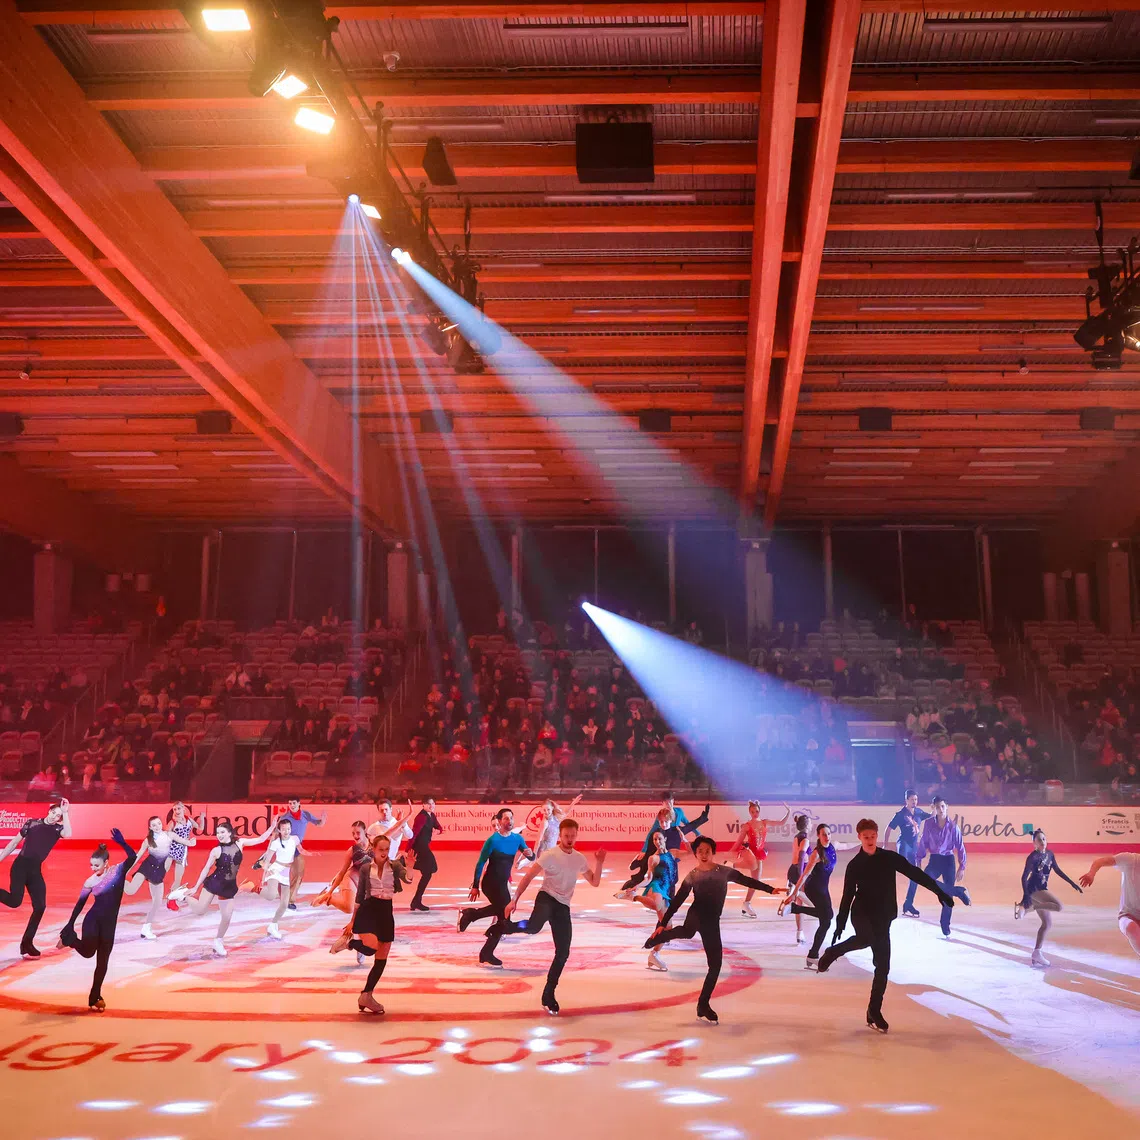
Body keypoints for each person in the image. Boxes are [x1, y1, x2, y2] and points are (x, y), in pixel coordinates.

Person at [816, 818, 954, 1033]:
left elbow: (914, 873)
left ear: (877, 836)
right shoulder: (855, 865)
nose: (870, 840)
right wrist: (840, 923)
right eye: (865, 837)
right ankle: (833, 951)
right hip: (861, 913)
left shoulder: (889, 858)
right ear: (859, 837)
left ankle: (874, 1011)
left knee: (883, 967)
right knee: (865, 938)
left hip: (883, 917)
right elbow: (847, 896)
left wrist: (939, 891)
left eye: (872, 836)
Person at [644, 835, 784, 1024]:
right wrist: (662, 925)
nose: (703, 854)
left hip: (712, 922)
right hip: (696, 915)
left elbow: (746, 881)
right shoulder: (692, 875)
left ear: (713, 853)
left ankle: (703, 1004)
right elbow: (677, 902)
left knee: (715, 965)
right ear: (695, 854)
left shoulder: (724, 872)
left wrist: (770, 889)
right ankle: (661, 937)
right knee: (687, 931)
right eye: (699, 851)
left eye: (707, 851)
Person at [499, 817, 606, 1015]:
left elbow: (595, 882)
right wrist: (514, 899)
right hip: (546, 898)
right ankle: (507, 927)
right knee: (533, 927)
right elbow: (529, 876)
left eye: (573, 836)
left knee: (563, 952)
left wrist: (599, 862)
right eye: (566, 836)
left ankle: (548, 993)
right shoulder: (550, 855)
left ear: (576, 835)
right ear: (560, 836)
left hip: (563, 906)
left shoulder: (579, 858)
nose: (570, 839)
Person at [330, 832, 413, 1014]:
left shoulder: (395, 866)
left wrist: (411, 868)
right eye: (380, 849)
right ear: (373, 850)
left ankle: (366, 995)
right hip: (368, 910)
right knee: (374, 947)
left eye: (386, 849)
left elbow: (407, 878)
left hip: (386, 911)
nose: (384, 852)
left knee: (382, 957)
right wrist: (352, 921)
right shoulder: (367, 869)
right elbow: (360, 896)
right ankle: (350, 943)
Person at [171, 816, 276, 956]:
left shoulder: (240, 842)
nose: (219, 835)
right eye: (217, 833)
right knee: (200, 910)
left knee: (227, 917)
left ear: (229, 833)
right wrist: (195, 887)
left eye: (222, 832)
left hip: (229, 885)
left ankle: (218, 941)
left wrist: (272, 826)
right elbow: (206, 869)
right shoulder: (216, 850)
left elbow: (261, 839)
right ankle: (183, 896)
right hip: (215, 882)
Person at [56, 829, 137, 1011]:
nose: (93, 869)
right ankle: (70, 941)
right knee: (88, 953)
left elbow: (133, 857)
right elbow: (80, 904)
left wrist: (123, 843)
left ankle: (95, 996)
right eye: (91, 865)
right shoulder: (90, 881)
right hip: (92, 920)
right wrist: (70, 925)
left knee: (103, 963)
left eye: (96, 865)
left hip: (110, 924)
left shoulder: (118, 870)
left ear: (106, 863)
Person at [457, 808, 534, 967]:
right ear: (499, 821)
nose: (509, 821)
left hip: (502, 885)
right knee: (504, 916)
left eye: (511, 818)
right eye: (506, 818)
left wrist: (531, 854)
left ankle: (472, 917)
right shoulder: (492, 841)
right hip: (490, 884)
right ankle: (485, 948)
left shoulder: (517, 839)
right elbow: (480, 863)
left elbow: (530, 856)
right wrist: (476, 885)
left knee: (504, 918)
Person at [0, 798, 71, 958]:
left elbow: (68, 833)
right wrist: (0, 859)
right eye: (53, 812)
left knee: (40, 906)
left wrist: (65, 814)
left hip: (35, 871)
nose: (54, 816)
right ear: (48, 810)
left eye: (58, 815)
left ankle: (26, 944)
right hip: (20, 867)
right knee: (14, 901)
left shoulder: (57, 830)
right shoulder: (32, 824)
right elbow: (13, 843)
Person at [779, 823, 856, 968]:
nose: (827, 837)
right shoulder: (816, 854)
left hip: (823, 888)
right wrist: (794, 894)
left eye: (828, 834)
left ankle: (796, 910)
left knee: (827, 918)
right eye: (823, 835)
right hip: (813, 888)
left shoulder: (834, 845)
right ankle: (813, 955)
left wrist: (862, 842)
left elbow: (846, 845)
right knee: (826, 920)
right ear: (819, 837)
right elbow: (805, 874)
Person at [1014, 829, 1082, 967]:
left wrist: (1071, 882)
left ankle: (1036, 953)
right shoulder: (1032, 857)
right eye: (1039, 840)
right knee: (1059, 906)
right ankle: (1029, 907)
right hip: (1034, 889)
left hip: (1042, 889)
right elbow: (1024, 877)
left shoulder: (1050, 854)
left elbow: (1057, 870)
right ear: (1034, 843)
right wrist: (1026, 895)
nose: (1042, 842)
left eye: (1044, 839)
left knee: (1047, 924)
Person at [123, 815, 197, 940]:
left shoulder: (169, 835)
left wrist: (192, 842)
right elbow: (138, 856)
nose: (157, 826)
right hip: (147, 867)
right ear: (150, 827)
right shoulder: (148, 840)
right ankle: (119, 877)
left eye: (158, 823)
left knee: (157, 902)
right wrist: (126, 870)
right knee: (130, 890)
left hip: (159, 871)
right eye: (154, 825)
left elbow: (186, 842)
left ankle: (146, 928)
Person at [617, 799, 710, 898]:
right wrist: (642, 856)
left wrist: (703, 817)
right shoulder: (656, 833)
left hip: (670, 861)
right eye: (661, 821)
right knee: (641, 879)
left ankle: (668, 904)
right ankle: (623, 892)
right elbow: (650, 849)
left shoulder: (677, 831)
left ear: (671, 820)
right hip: (658, 861)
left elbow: (691, 826)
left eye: (666, 821)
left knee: (671, 882)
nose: (664, 824)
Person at [243, 817, 310, 940]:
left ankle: (273, 925)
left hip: (286, 872)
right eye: (284, 829)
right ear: (279, 830)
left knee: (284, 904)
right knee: (271, 895)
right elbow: (267, 860)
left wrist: (309, 853)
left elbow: (300, 849)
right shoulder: (275, 843)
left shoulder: (294, 839)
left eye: (289, 829)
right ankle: (252, 887)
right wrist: (262, 879)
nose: (287, 831)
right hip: (275, 869)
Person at [915, 796, 972, 936]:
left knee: (947, 895)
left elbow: (960, 846)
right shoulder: (928, 824)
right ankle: (959, 891)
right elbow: (923, 842)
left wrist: (962, 866)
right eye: (937, 807)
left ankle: (945, 924)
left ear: (946, 807)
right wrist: (919, 859)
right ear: (933, 807)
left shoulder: (953, 826)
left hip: (948, 861)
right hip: (935, 860)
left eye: (942, 806)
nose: (940, 809)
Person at [727, 801, 789, 916]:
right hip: (750, 851)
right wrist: (729, 854)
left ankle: (746, 903)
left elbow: (781, 823)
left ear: (759, 811)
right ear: (749, 812)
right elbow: (738, 842)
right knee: (753, 867)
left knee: (755, 882)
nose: (755, 813)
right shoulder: (747, 826)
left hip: (759, 853)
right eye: (752, 812)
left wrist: (788, 811)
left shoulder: (764, 822)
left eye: (756, 811)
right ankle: (732, 865)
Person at [1078, 850, 1140, 957]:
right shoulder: (1131, 860)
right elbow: (1100, 861)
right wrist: (1091, 873)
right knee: (1131, 928)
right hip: (1128, 916)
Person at [885, 789, 932, 917]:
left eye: (916, 799)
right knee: (901, 858)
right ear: (906, 800)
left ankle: (908, 904)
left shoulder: (919, 812)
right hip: (903, 844)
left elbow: (932, 816)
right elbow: (888, 828)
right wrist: (885, 844)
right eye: (912, 800)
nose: (914, 802)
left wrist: (937, 811)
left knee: (916, 876)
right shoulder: (901, 814)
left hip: (914, 847)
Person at [637, 829, 678, 972]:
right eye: (654, 839)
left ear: (665, 839)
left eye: (659, 839)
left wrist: (685, 839)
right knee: (661, 914)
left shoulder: (670, 854)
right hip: (657, 888)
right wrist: (636, 887)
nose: (657, 842)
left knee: (668, 927)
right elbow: (648, 877)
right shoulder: (653, 858)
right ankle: (634, 897)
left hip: (667, 892)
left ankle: (654, 954)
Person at [277, 797, 326, 909]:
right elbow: (277, 832)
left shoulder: (305, 815)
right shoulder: (285, 817)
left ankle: (289, 900)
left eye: (294, 803)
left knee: (299, 874)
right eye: (290, 803)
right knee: (282, 875)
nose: (292, 805)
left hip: (297, 849)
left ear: (299, 803)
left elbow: (319, 824)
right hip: (285, 849)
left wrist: (323, 820)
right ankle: (284, 897)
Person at [517, 794, 584, 873]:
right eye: (544, 810)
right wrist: (533, 856)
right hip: (544, 850)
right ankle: (525, 862)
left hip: (553, 848)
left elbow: (565, 812)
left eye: (548, 809)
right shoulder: (544, 822)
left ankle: (523, 862)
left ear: (552, 808)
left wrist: (573, 803)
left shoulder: (556, 818)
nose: (546, 812)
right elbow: (538, 840)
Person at [409, 797, 443, 912]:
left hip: (424, 846)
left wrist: (438, 830)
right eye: (428, 804)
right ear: (423, 805)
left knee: (427, 873)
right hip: (420, 847)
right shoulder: (421, 817)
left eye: (433, 803)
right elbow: (414, 833)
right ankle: (405, 863)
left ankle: (416, 901)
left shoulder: (431, 815)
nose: (431, 806)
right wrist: (408, 848)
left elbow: (438, 826)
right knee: (432, 867)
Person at [167, 801, 206, 900]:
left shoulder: (188, 820)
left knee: (178, 877)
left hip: (182, 851)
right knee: (161, 872)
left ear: (184, 808)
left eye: (178, 808)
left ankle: (172, 896)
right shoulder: (172, 823)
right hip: (170, 850)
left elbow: (200, 828)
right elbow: (166, 837)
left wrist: (202, 817)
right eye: (174, 809)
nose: (176, 811)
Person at [785, 812, 812, 944]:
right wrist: (802, 875)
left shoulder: (797, 837)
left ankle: (799, 932)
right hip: (799, 870)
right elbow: (801, 855)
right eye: (810, 822)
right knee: (807, 901)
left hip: (793, 869)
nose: (812, 824)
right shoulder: (805, 839)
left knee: (800, 902)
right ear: (807, 825)